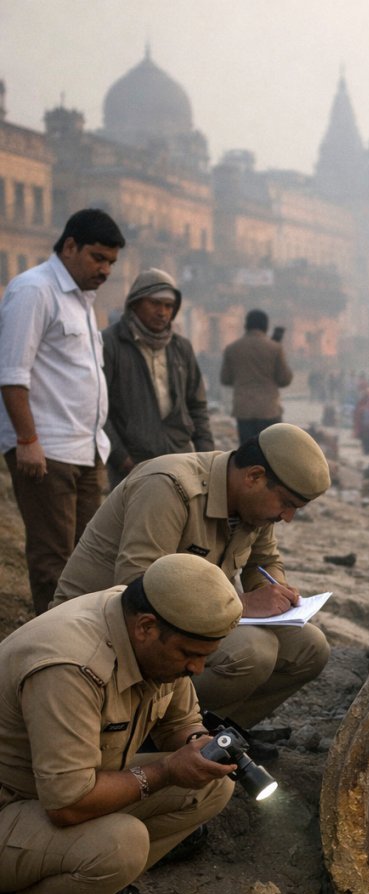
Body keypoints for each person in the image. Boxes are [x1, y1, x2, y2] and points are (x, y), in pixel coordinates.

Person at [0, 553, 243, 894]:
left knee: (210, 785)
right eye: (190, 655)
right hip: (15, 805)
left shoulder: (147, 624)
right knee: (120, 843)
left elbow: (180, 722)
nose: (197, 668)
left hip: (47, 798)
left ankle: (90, 888)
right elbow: (68, 804)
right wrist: (166, 771)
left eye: (206, 656)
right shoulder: (71, 665)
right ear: (146, 627)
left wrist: (197, 747)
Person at [51, 424, 331, 731]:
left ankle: (219, 734)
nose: (287, 517)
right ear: (254, 476)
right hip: (106, 629)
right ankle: (147, 732)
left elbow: (265, 559)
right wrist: (242, 604)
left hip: (184, 622)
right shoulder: (169, 486)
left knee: (311, 648)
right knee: (252, 651)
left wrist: (273, 591)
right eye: (287, 504)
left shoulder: (253, 503)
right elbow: (137, 588)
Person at [0, 208, 126, 614]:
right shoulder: (34, 290)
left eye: (111, 262)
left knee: (88, 561)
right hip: (46, 449)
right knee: (53, 560)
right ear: (69, 246)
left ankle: (79, 643)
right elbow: (11, 373)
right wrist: (27, 440)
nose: (105, 270)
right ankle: (49, 653)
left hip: (87, 450)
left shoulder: (82, 300)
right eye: (98, 258)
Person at [102, 267, 214, 488]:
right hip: (132, 464)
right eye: (155, 304)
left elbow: (197, 407)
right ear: (134, 303)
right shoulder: (110, 344)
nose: (162, 312)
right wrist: (121, 459)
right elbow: (99, 411)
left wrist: (208, 459)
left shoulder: (181, 347)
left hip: (179, 459)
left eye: (168, 306)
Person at [220, 309, 293, 444]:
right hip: (269, 409)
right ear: (266, 326)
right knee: (271, 452)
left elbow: (225, 379)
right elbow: (285, 379)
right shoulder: (275, 348)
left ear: (246, 326)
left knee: (248, 453)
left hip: (244, 409)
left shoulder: (232, 349)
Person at [353, 384, 369, 455]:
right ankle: (366, 450)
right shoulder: (362, 401)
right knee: (365, 438)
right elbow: (357, 411)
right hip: (363, 424)